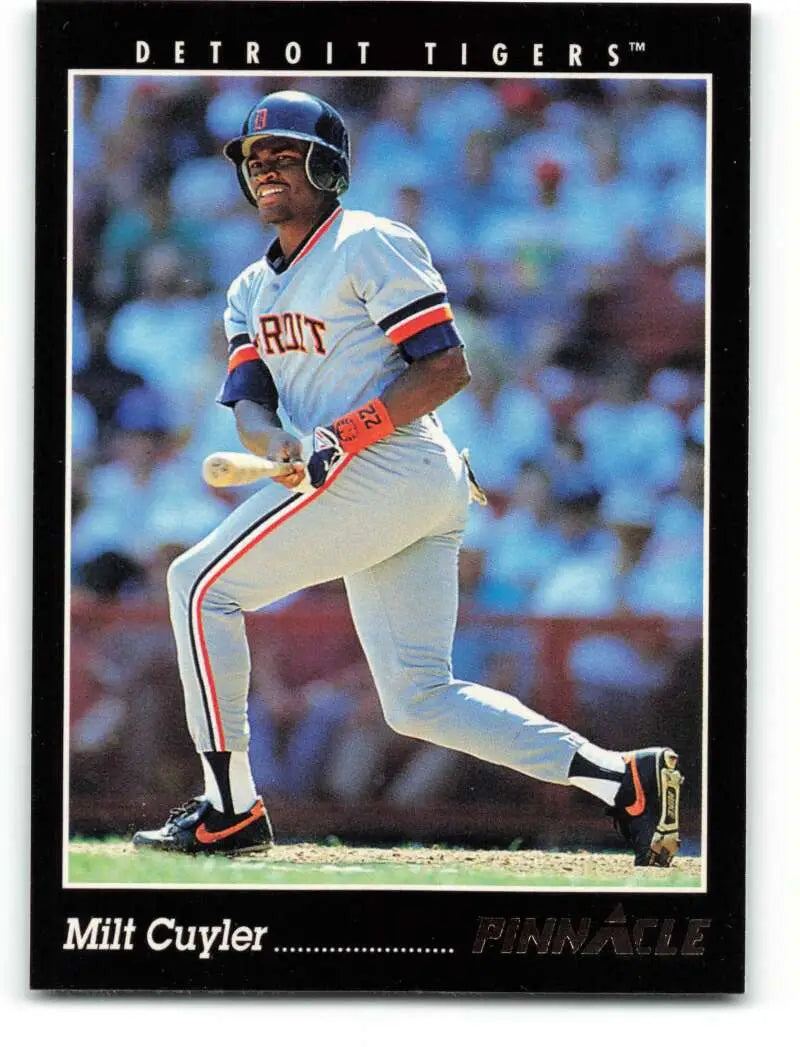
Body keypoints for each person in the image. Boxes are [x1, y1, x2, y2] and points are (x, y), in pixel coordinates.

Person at [132, 91, 684, 867]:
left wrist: (342, 432)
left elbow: (447, 366)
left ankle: (229, 808)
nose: (266, 172)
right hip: (386, 484)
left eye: (284, 156)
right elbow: (251, 408)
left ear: (328, 167)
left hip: (394, 462)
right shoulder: (248, 291)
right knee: (420, 698)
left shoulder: (369, 242)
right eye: (255, 162)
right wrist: (281, 441)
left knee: (197, 585)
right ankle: (622, 779)